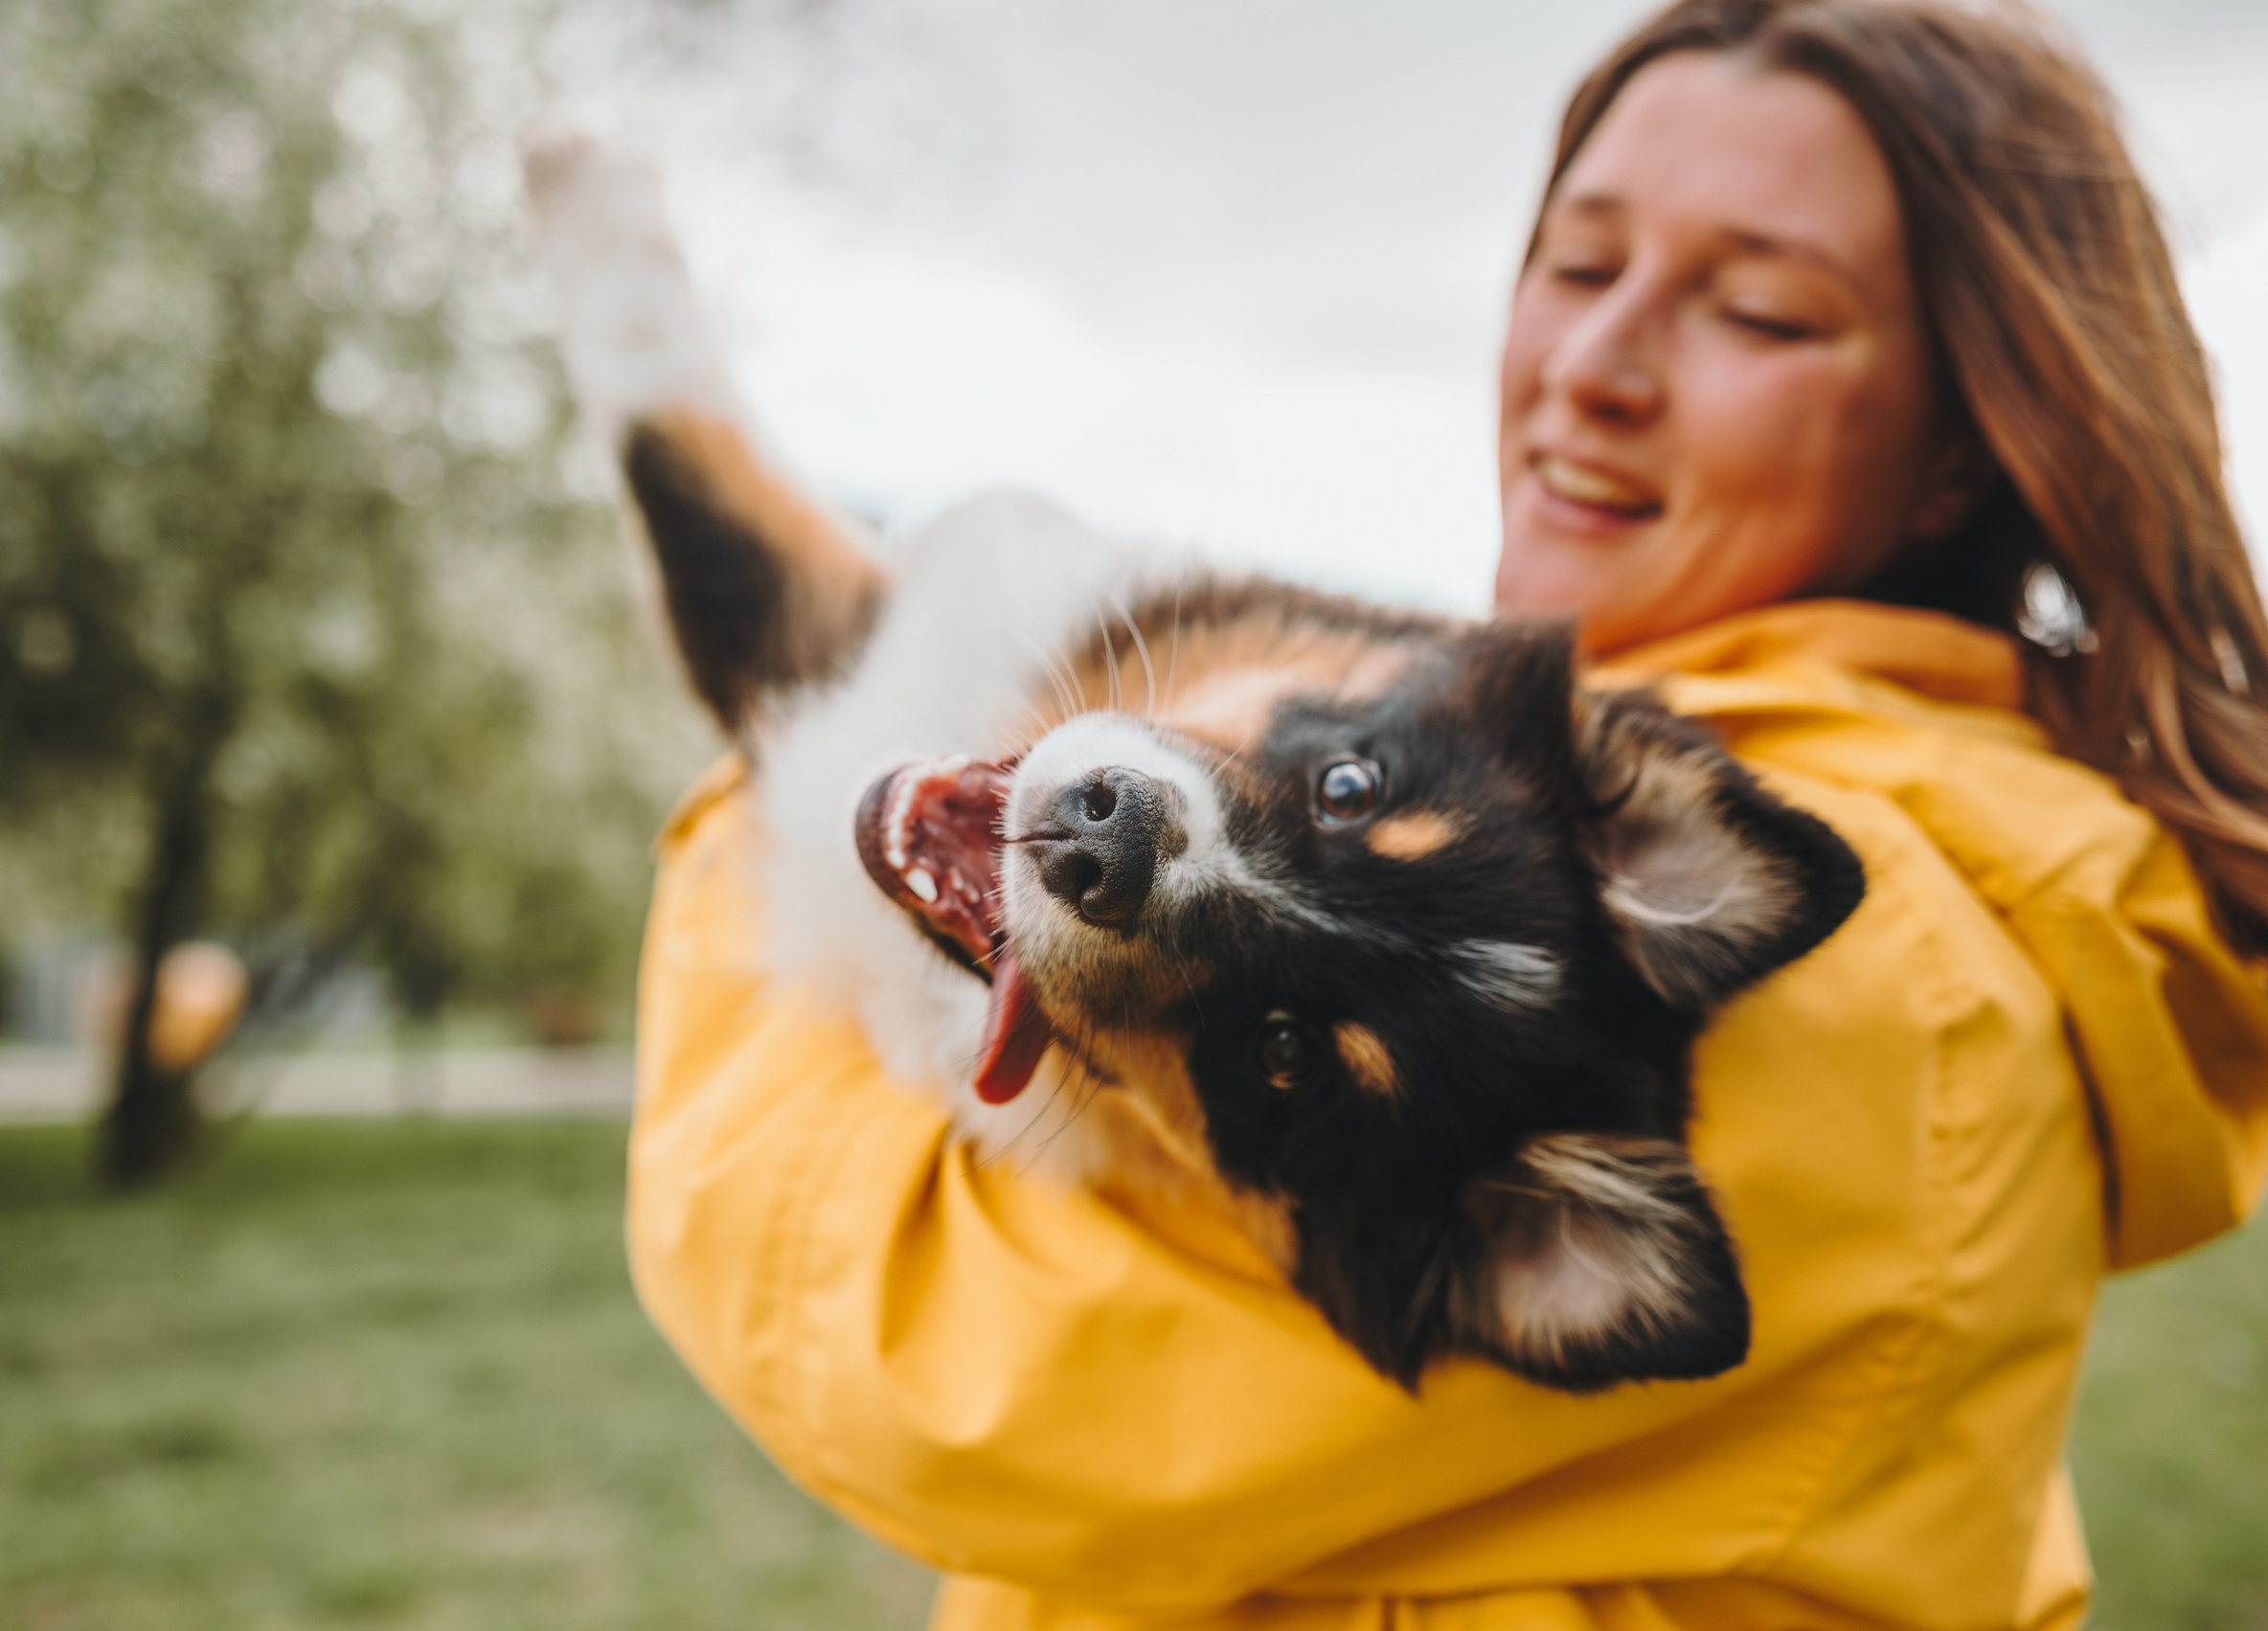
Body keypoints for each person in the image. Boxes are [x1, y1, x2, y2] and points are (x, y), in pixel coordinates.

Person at [625, 1, 2268, 1625]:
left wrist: (790, 774)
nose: (1597, 363)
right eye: (1579, 260)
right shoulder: (1651, 804)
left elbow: (947, 1372)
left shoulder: (1879, 979)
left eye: (1759, 312)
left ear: (1961, 460)